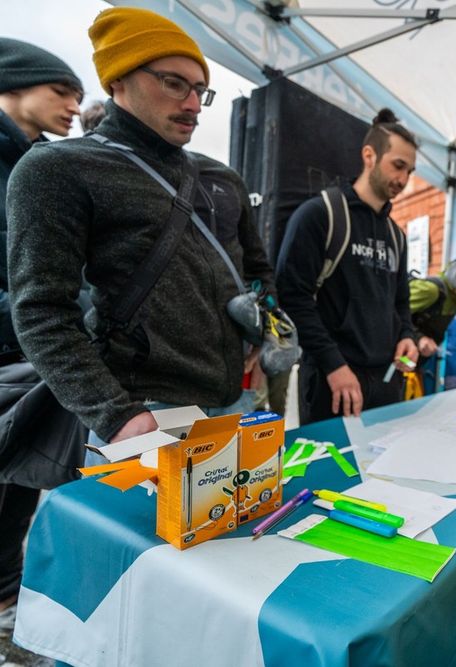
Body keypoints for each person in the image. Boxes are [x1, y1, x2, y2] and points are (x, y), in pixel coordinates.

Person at [6, 8, 273, 448]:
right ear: (118, 79)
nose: (192, 105)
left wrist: (268, 332)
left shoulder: (223, 178)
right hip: (144, 412)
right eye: (174, 83)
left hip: (235, 401)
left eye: (200, 90)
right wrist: (114, 416)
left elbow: (258, 270)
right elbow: (41, 311)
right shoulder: (59, 168)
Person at [0, 37, 82, 637]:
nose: (75, 105)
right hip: (11, 348)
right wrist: (36, 316)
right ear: (14, 85)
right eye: (61, 91)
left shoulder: (50, 166)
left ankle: (7, 603)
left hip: (41, 359)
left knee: (26, 486)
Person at [276, 109, 419, 422]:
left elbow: (401, 302)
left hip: (386, 385)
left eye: (409, 171)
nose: (403, 180)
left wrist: (407, 336)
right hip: (333, 384)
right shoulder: (320, 215)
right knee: (330, 457)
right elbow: (292, 296)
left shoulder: (397, 236)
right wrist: (333, 365)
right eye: (398, 166)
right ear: (369, 155)